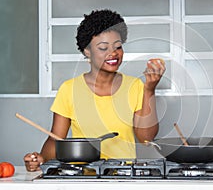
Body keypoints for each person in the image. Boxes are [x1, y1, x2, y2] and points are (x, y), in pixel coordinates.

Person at [23, 9, 165, 172]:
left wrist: (149, 90)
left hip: (124, 176)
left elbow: (146, 138)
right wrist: (41, 159)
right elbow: (56, 139)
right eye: (103, 48)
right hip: (84, 177)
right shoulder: (69, 89)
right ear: (87, 52)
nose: (113, 53)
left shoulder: (135, 86)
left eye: (118, 46)